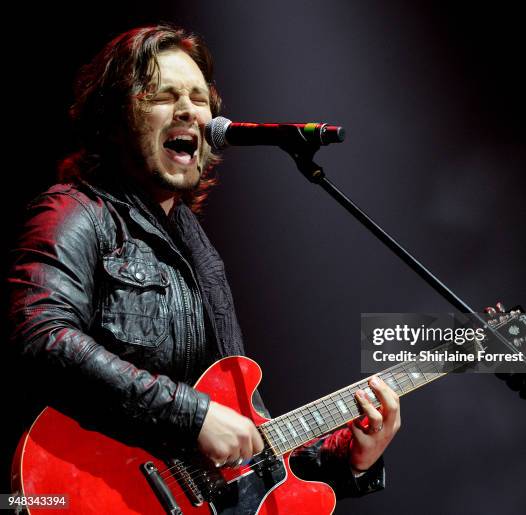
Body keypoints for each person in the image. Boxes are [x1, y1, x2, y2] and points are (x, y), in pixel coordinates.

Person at [8, 24, 401, 507]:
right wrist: (193, 415)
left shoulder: (201, 252)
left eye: (199, 98)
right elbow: (40, 335)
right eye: (163, 95)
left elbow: (245, 445)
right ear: (114, 116)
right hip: (67, 493)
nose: (189, 111)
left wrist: (350, 457)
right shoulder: (76, 211)